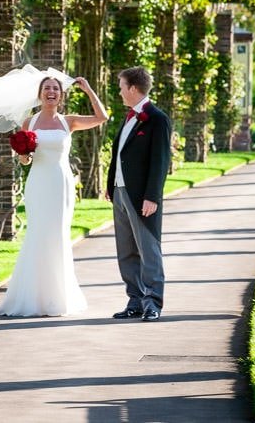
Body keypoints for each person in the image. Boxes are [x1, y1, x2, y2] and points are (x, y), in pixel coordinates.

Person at [0, 75, 107, 317]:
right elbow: (25, 161)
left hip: (61, 183)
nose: (51, 92)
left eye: (55, 88)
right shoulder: (29, 122)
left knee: (58, 235)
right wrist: (23, 155)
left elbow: (102, 117)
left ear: (61, 95)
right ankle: (31, 297)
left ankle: (58, 297)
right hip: (38, 183)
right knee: (37, 234)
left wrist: (88, 89)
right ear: (40, 94)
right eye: (47, 88)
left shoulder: (69, 122)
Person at [106, 66, 171, 322]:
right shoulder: (129, 117)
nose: (120, 91)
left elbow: (160, 161)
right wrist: (111, 186)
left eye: (121, 86)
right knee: (126, 251)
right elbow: (119, 154)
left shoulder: (156, 118)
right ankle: (135, 300)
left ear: (133, 88)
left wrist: (152, 196)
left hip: (142, 196)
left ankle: (153, 302)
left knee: (148, 250)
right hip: (121, 193)